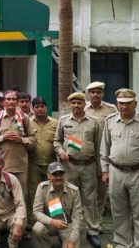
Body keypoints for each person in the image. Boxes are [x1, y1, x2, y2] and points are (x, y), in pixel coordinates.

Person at [101, 88, 139, 248]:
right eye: (121, 103)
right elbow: (105, 148)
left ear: (135, 104)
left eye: (128, 103)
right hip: (115, 172)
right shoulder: (110, 121)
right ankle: (122, 244)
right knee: (118, 212)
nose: (124, 107)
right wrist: (104, 170)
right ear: (117, 104)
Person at [54, 92, 102, 248]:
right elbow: (57, 141)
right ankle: (65, 231)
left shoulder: (94, 122)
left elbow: (99, 146)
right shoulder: (63, 121)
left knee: (89, 200)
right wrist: (60, 150)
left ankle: (93, 231)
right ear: (70, 104)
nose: (76, 105)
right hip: (70, 166)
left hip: (89, 165)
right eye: (73, 103)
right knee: (66, 198)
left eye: (79, 103)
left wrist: (101, 170)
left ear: (84, 104)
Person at [84, 81, 117, 231]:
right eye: (93, 92)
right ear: (88, 94)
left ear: (103, 94)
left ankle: (98, 220)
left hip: (105, 156)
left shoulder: (111, 109)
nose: (96, 95)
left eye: (99, 92)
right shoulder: (82, 109)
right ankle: (87, 219)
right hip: (88, 156)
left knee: (102, 190)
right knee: (88, 189)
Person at [0, 90, 35, 195]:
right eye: (8, 99)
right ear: (4, 102)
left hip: (21, 165)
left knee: (21, 193)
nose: (11, 101)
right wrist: (3, 137)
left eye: (14, 99)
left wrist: (21, 140)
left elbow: (32, 139)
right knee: (5, 194)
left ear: (17, 102)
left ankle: (22, 212)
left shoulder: (24, 117)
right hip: (3, 164)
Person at [32, 162, 82, 248]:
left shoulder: (74, 190)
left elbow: (77, 217)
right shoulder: (42, 188)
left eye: (61, 174)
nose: (58, 177)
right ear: (48, 176)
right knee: (37, 228)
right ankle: (47, 245)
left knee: (72, 245)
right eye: (54, 174)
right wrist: (52, 221)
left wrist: (72, 240)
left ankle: (65, 239)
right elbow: (36, 212)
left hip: (67, 226)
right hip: (50, 224)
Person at [27, 96, 58, 228]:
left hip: (51, 165)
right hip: (33, 164)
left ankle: (55, 222)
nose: (40, 109)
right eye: (36, 107)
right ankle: (32, 221)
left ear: (46, 107)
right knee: (33, 194)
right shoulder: (28, 123)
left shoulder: (55, 123)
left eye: (42, 106)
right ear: (33, 109)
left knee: (53, 194)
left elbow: (60, 140)